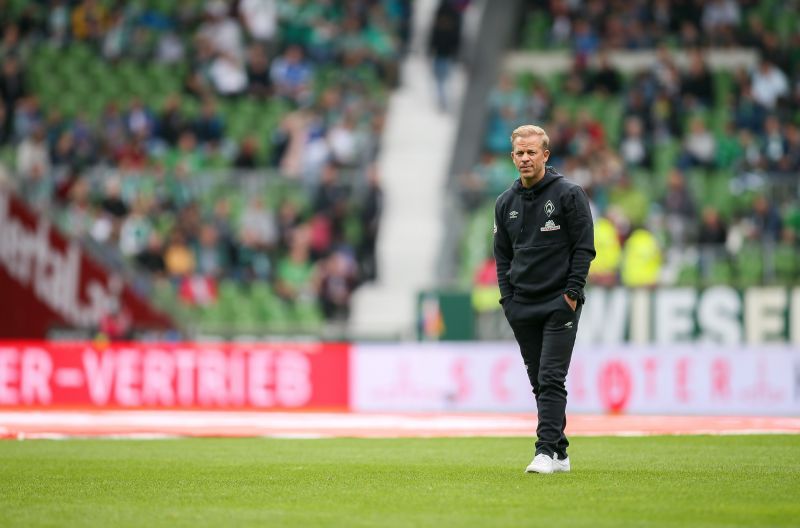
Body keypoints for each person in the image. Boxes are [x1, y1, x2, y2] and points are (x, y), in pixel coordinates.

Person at [493, 125, 595, 474]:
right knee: (539, 381)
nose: (525, 158)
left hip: (558, 303)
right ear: (512, 157)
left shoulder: (569, 194)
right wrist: (508, 301)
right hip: (522, 305)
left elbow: (584, 248)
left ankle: (544, 452)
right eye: (519, 153)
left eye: (531, 152)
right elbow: (503, 257)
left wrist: (571, 294)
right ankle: (561, 452)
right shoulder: (504, 203)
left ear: (545, 155)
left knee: (551, 378)